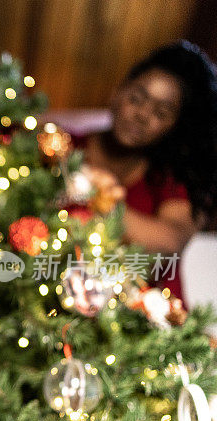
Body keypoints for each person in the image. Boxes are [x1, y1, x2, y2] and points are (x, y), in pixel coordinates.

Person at [73, 40, 217, 302]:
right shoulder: (63, 148)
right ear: (118, 92)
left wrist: (92, 192)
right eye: (137, 98)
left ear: (175, 126)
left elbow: (170, 242)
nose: (142, 115)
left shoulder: (172, 180)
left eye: (161, 113)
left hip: (147, 318)